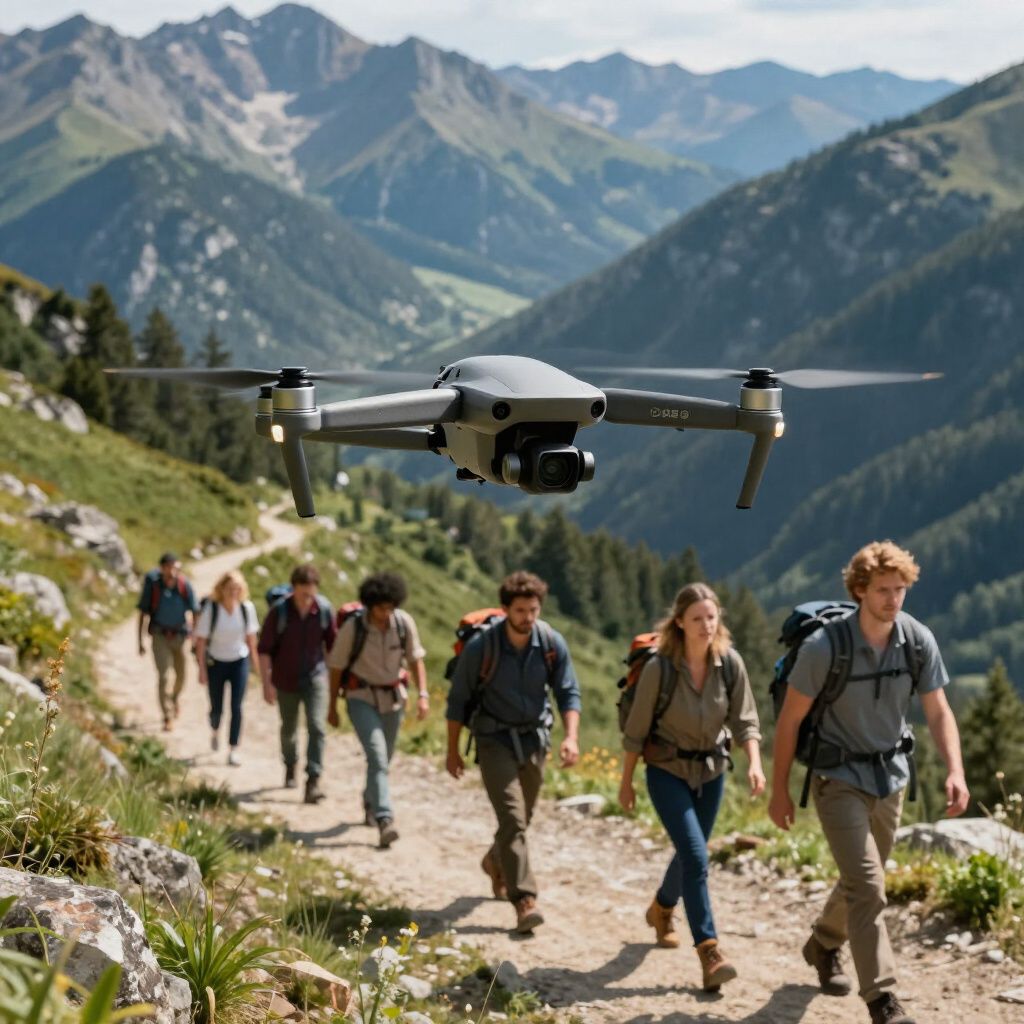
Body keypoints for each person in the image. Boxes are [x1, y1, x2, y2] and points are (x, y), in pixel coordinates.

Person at [769, 541, 969, 1024]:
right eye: (883, 590)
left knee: (865, 880)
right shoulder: (824, 648)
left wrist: (956, 770)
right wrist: (779, 791)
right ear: (859, 590)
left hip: (891, 777)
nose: (893, 600)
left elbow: (938, 710)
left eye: (900, 589)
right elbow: (790, 723)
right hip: (837, 778)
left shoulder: (916, 639)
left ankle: (822, 943)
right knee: (868, 887)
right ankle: (882, 999)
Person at [618, 582, 764, 992]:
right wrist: (626, 782)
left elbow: (745, 720)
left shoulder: (729, 664)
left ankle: (662, 908)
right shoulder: (659, 669)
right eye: (697, 618)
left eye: (711, 617)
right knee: (697, 858)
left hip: (712, 772)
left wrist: (754, 763)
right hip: (666, 771)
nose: (706, 625)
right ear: (679, 622)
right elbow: (636, 731)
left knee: (689, 853)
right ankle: (710, 951)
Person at [446, 570, 580, 934]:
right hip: (494, 740)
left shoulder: (551, 643)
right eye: (521, 611)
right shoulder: (482, 648)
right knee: (513, 818)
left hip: (535, 740)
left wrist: (571, 737)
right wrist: (452, 750)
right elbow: (458, 701)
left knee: (523, 817)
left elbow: (568, 692)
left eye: (534, 610)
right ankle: (524, 900)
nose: (528, 618)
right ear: (506, 609)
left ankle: (495, 859)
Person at [327, 571, 429, 849]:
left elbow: (415, 659)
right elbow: (336, 666)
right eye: (381, 607)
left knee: (384, 758)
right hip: (360, 697)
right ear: (370, 605)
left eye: (390, 607)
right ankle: (385, 818)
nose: (386, 613)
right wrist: (332, 707)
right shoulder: (354, 629)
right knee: (377, 755)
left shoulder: (404, 624)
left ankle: (370, 798)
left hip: (393, 699)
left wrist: (423, 694)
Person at [257, 564, 337, 804]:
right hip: (285, 679)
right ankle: (290, 764)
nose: (307, 600)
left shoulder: (323, 611)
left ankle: (313, 780)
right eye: (303, 594)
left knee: (317, 726)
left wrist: (335, 684)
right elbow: (263, 650)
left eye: (311, 594)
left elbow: (333, 648)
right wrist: (266, 683)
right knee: (289, 728)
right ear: (293, 589)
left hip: (315, 677)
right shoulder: (279, 612)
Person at [194, 570, 260, 766]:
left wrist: (255, 667)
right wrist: (201, 669)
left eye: (237, 589)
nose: (234, 592)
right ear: (221, 589)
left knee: (237, 706)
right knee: (217, 707)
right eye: (230, 588)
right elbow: (201, 641)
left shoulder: (247, 609)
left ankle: (233, 749)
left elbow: (251, 640)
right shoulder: (212, 610)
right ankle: (215, 730)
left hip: (239, 661)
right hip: (216, 662)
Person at [137, 552, 198, 732]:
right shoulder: (154, 587)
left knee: (182, 676)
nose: (172, 571)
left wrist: (195, 637)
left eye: (175, 567)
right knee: (164, 676)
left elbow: (195, 611)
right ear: (162, 568)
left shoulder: (184, 586)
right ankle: (167, 716)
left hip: (180, 636)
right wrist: (139, 641)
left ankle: (174, 698)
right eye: (169, 567)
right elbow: (142, 613)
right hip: (159, 636)